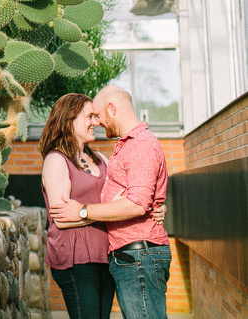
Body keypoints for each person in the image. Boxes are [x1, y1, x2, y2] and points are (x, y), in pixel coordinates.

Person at [40, 93, 166, 319]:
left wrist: (152, 209)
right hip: (76, 257)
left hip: (105, 255)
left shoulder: (101, 159)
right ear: (69, 119)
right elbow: (62, 218)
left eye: (96, 116)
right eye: (90, 116)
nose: (96, 122)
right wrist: (108, 210)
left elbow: (134, 199)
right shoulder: (56, 160)